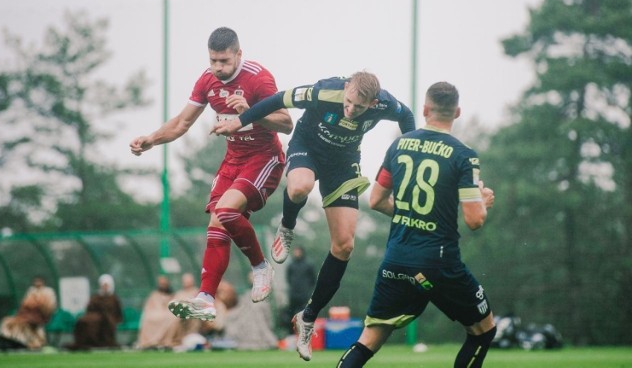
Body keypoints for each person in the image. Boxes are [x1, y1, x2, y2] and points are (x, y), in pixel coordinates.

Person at [211, 71, 415, 360]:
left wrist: (411, 157)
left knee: (344, 246)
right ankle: (288, 225)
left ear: (373, 103)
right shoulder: (323, 92)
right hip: (307, 149)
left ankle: (307, 318)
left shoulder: (386, 104)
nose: (350, 110)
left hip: (343, 165)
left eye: (359, 107)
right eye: (348, 102)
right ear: (345, 89)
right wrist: (239, 121)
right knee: (300, 187)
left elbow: (407, 117)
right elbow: (276, 99)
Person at [129, 27, 293, 322]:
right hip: (233, 161)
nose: (218, 67)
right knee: (217, 223)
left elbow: (286, 123)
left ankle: (259, 266)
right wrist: (151, 139)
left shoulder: (258, 78)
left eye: (224, 61)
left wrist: (252, 111)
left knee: (226, 210)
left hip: (263, 158)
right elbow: (181, 123)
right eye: (213, 60)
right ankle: (205, 298)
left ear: (238, 55)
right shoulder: (207, 81)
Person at [335, 82, 497, 368]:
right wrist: (482, 200)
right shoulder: (463, 155)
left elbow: (377, 200)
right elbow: (474, 220)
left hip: (396, 259)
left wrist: (413, 216)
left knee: (368, 340)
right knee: (483, 330)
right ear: (457, 112)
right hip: (439, 263)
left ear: (424, 110)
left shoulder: (399, 144)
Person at [0, 275, 57, 350]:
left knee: (24, 325)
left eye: (39, 281)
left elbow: (48, 307)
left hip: (39, 317)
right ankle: (13, 342)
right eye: (36, 281)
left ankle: (29, 344)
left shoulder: (48, 291)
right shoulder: (31, 290)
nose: (37, 283)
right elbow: (25, 304)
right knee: (7, 322)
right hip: (26, 317)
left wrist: (36, 311)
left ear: (43, 282)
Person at [69, 274, 123, 350]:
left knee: (93, 322)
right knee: (82, 321)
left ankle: (96, 342)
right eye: (103, 285)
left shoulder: (114, 298)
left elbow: (117, 313)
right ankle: (84, 342)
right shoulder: (95, 297)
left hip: (107, 318)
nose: (105, 287)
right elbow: (89, 308)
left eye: (106, 285)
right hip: (94, 316)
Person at [136, 275, 175, 349]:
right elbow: (148, 308)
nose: (163, 285)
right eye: (161, 284)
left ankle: (165, 342)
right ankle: (150, 342)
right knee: (147, 319)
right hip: (154, 315)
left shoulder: (173, 295)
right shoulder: (154, 295)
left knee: (171, 319)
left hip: (167, 315)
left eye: (164, 284)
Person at [285, 246, 316, 325]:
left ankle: (305, 331)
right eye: (295, 251)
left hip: (304, 295)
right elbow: (288, 278)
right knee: (291, 313)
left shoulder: (309, 264)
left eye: (298, 251)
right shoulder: (291, 265)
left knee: (304, 313)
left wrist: (306, 289)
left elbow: (313, 279)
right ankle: (291, 332)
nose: (296, 253)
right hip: (293, 295)